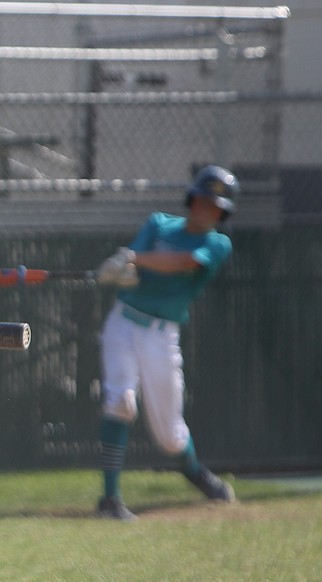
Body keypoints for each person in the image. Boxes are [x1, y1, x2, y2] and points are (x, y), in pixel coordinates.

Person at [93, 164, 239, 522]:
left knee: (171, 437)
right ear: (193, 199)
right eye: (205, 201)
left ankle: (195, 472)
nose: (208, 209)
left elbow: (182, 262)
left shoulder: (217, 244)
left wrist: (131, 259)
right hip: (123, 323)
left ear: (223, 213)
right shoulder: (159, 224)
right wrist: (123, 273)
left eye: (216, 206)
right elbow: (134, 263)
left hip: (161, 336)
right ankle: (110, 498)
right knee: (120, 400)